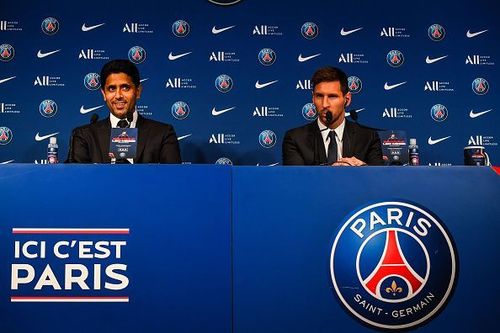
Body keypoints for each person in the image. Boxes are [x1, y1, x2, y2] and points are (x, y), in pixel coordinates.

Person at [66, 59, 181, 163]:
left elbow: (173, 179)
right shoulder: (84, 135)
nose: (118, 95)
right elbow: (78, 180)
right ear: (104, 94)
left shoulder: (163, 133)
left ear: (138, 91)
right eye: (112, 88)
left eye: (125, 87)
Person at [282, 66, 383, 166]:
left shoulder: (368, 137)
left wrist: (362, 168)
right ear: (313, 98)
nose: (325, 104)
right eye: (319, 96)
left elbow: (377, 180)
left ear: (347, 99)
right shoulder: (295, 139)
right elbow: (296, 180)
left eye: (332, 96)